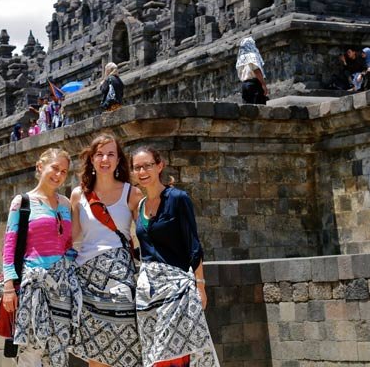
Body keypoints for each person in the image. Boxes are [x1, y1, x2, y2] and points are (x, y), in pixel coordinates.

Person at [131, 147, 219, 367]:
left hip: (176, 290)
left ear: (159, 166)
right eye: (137, 167)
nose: (142, 171)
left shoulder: (178, 198)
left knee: (175, 355)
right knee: (153, 355)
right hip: (148, 296)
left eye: (147, 165)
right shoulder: (140, 205)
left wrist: (200, 285)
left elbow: (193, 244)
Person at [0, 148, 79, 367]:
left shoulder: (64, 204)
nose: (58, 175)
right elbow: (9, 245)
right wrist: (8, 286)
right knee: (30, 351)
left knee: (58, 351)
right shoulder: (22, 202)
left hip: (62, 288)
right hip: (32, 287)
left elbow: (68, 244)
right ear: (40, 167)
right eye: (54, 168)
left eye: (64, 171)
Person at [70, 133, 143, 367]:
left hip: (121, 278)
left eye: (111, 154)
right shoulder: (78, 195)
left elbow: (146, 236)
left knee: (126, 344)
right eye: (99, 154)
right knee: (96, 351)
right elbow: (71, 238)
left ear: (118, 159)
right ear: (91, 159)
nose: (105, 159)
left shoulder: (132, 193)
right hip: (87, 278)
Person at [236, 36, 268, 104]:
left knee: (248, 109)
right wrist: (263, 84)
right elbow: (256, 70)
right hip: (254, 84)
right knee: (259, 107)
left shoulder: (240, 59)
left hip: (244, 85)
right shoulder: (252, 55)